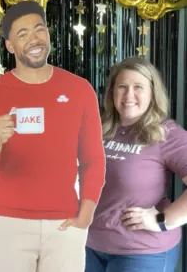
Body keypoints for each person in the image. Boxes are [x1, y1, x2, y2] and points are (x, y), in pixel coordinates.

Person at [0, 0, 105, 272]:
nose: (34, 39)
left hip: (65, 222)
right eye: (23, 34)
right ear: (10, 46)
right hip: (8, 223)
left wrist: (87, 212)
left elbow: (93, 158)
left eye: (39, 29)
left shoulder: (80, 90)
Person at [85, 57, 187, 272]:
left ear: (152, 93)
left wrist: (162, 220)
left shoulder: (167, 134)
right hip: (90, 246)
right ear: (112, 92)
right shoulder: (98, 128)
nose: (129, 95)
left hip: (142, 252)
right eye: (122, 86)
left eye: (138, 87)